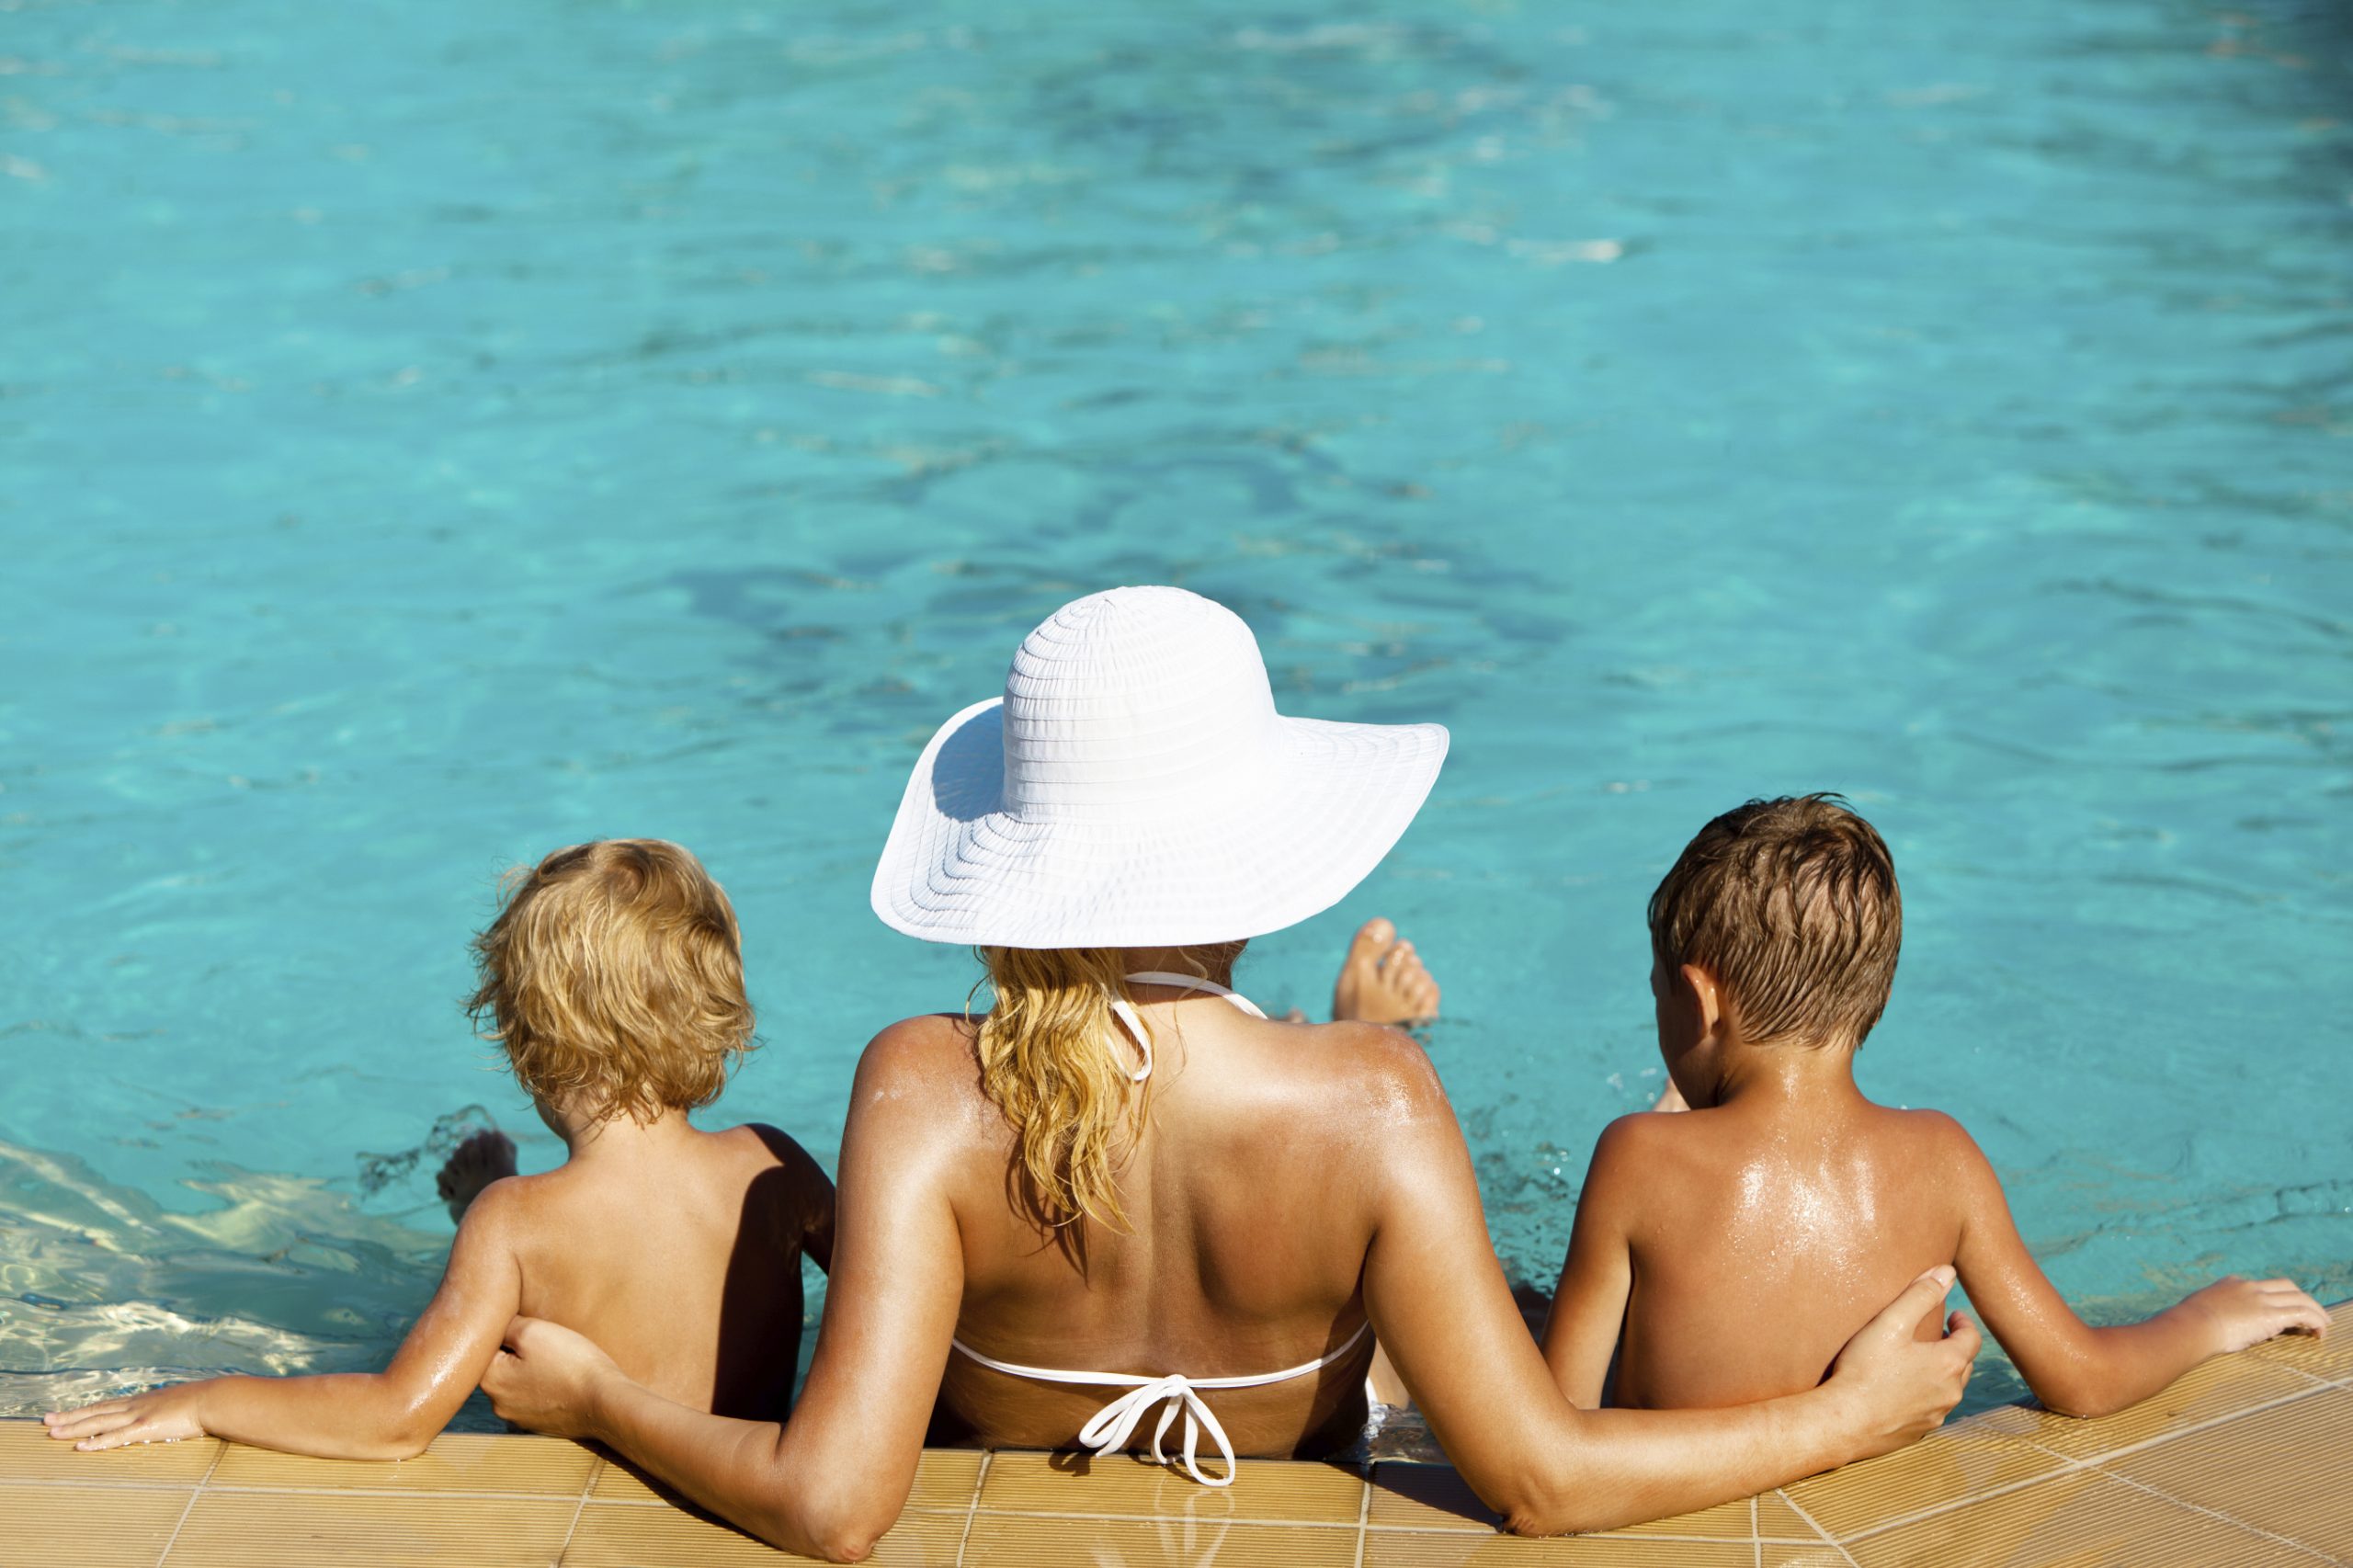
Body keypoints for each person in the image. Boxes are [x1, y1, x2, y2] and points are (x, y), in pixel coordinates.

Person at [479, 587, 1976, 1561]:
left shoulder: (921, 1089)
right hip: (1325, 1343)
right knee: (1516, 1304)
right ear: (1251, 857)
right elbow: (1543, 1481)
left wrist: (605, 1395)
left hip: (1009, 1418)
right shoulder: (1379, 1095)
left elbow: (835, 1504)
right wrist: (1850, 1417)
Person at [1539, 794, 2327, 1415]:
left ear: (1697, 997)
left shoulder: (1638, 1156)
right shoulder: (1944, 1158)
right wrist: (2204, 1322)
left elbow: (1556, 1419)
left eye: (1657, 994)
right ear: (1872, 996)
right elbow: (2084, 1380)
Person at [44, 839, 835, 1457]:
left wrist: (207, 1400)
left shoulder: (517, 1223)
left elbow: (396, 1419)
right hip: (735, 1478)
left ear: (526, 1041)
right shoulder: (776, 1166)